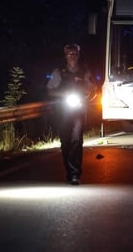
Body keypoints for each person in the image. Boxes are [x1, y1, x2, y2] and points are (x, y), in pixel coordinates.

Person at [46, 43, 96, 185]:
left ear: (78, 55)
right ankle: (69, 171)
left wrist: (88, 92)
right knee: (65, 142)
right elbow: (50, 90)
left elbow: (92, 88)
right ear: (65, 56)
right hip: (63, 110)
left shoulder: (84, 71)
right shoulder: (59, 72)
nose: (72, 57)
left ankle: (75, 173)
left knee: (76, 140)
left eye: (74, 54)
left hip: (79, 109)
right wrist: (64, 93)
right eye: (69, 54)